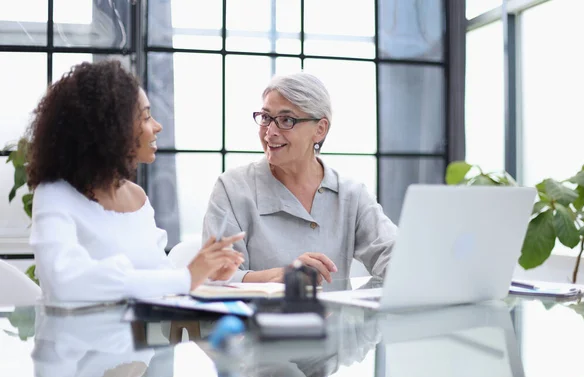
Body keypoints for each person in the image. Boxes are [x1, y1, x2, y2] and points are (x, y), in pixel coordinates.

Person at [27, 60, 245, 302]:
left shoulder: (137, 198)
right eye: (146, 117)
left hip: (134, 339)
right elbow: (65, 281)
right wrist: (184, 278)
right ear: (110, 128)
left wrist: (208, 274)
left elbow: (159, 276)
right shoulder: (55, 194)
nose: (157, 126)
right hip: (73, 338)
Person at [202, 72, 396, 285]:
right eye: (266, 118)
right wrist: (281, 277)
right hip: (257, 318)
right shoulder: (232, 188)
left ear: (320, 129)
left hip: (334, 319)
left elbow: (394, 257)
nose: (270, 132)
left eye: (286, 120)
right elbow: (212, 278)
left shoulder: (352, 194)